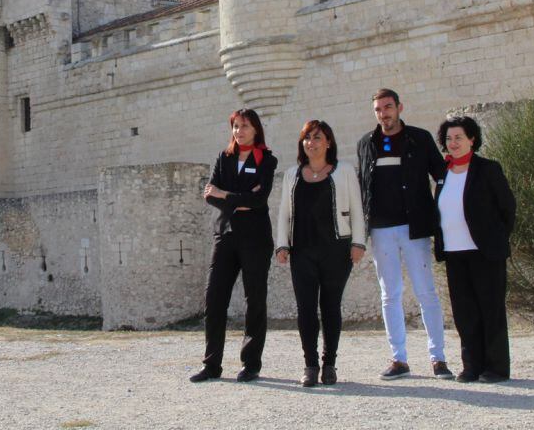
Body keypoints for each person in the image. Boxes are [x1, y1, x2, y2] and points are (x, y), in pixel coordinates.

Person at [357, 88, 454, 380]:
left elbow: (441, 174)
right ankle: (398, 359)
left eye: (388, 107)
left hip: (415, 228)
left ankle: (438, 358)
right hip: (381, 229)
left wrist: (441, 214)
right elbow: (362, 186)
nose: (383, 114)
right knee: (389, 295)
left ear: (399, 107)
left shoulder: (419, 138)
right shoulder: (366, 143)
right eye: (378, 109)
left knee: (427, 292)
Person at [275, 120, 366, 387]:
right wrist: (282, 245)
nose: (311, 143)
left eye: (317, 138)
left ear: (328, 142)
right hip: (302, 250)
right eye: (307, 138)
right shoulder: (292, 174)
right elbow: (283, 212)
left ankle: (330, 364)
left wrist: (358, 243)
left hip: (336, 249)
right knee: (305, 309)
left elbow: (357, 208)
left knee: (330, 306)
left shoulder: (344, 170)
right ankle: (310, 365)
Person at [190, 108, 278, 383]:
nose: (239, 131)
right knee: (214, 299)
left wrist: (225, 194)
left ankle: (250, 364)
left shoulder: (267, 160)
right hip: (225, 235)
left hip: (255, 238)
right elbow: (209, 196)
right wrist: (239, 198)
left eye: (245, 126)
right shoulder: (223, 158)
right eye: (235, 126)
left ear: (256, 129)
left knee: (255, 301)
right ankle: (212, 364)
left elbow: (259, 199)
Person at [434, 116, 516, 383]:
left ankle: (496, 368)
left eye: (458, 137)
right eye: (448, 138)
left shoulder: (488, 169)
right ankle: (472, 365)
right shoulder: (444, 174)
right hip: (455, 254)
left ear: (472, 139)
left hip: (484, 252)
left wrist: (496, 238)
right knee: (464, 312)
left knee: (490, 310)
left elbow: (507, 208)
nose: (453, 143)